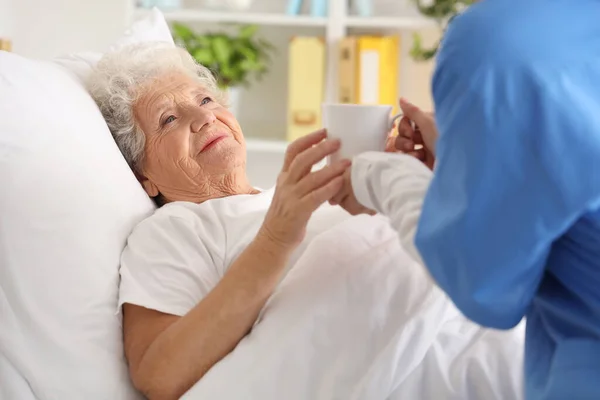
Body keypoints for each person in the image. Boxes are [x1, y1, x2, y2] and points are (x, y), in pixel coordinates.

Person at [334, 0, 600, 399]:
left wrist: (378, 176)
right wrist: (475, 158)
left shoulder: (500, 42)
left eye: (210, 100)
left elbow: (485, 284)